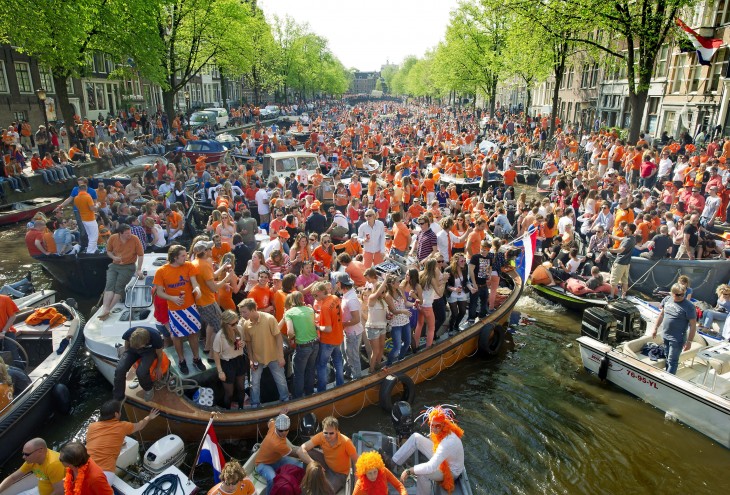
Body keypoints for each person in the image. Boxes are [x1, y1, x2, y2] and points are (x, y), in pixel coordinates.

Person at [153, 245, 206, 375]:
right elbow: (159, 292)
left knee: (194, 333)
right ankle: (182, 360)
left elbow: (194, 282)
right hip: (175, 310)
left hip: (190, 307)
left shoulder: (188, 266)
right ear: (175, 257)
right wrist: (172, 298)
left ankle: (196, 358)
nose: (186, 257)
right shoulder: (161, 271)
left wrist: (197, 289)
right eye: (183, 255)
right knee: (177, 336)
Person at [392, 405, 465, 495]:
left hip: (451, 471)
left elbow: (431, 467)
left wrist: (409, 470)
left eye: (437, 426)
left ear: (444, 424)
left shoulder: (448, 442)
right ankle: (393, 463)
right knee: (416, 437)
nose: (433, 429)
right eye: (431, 424)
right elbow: (435, 443)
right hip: (443, 457)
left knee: (423, 474)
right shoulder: (439, 430)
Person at [86, 400, 159, 484]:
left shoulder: (92, 426)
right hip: (104, 475)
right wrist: (149, 416)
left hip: (86, 469)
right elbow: (140, 425)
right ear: (116, 414)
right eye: (120, 411)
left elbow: (102, 442)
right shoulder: (122, 426)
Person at [239, 298, 289, 407]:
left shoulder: (269, 319)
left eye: (244, 312)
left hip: (274, 357)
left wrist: (281, 356)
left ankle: (285, 400)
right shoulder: (246, 325)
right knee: (254, 383)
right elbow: (249, 344)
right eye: (241, 312)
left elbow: (278, 338)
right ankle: (255, 404)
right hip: (257, 359)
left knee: (281, 380)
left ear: (253, 310)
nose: (242, 315)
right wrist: (252, 360)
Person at [255, 413, 312, 493]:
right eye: (281, 430)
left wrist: (282, 415)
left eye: (286, 430)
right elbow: (295, 453)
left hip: (277, 459)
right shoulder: (277, 444)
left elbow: (270, 421)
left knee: (300, 465)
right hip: (262, 464)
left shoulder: (273, 425)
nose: (284, 433)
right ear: (277, 428)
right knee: (272, 478)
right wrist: (309, 454)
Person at [97, 224, 144, 320]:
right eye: (127, 233)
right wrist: (114, 257)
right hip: (115, 265)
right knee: (109, 285)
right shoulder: (113, 238)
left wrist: (139, 269)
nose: (129, 235)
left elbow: (141, 255)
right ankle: (105, 308)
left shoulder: (134, 239)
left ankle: (108, 310)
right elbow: (109, 251)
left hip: (128, 266)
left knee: (119, 286)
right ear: (120, 234)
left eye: (130, 233)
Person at [300, 416, 358, 493]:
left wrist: (356, 481)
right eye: (325, 433)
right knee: (309, 452)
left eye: (331, 433)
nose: (328, 436)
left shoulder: (346, 442)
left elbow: (356, 461)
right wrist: (313, 463)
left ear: (337, 431)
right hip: (326, 465)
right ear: (322, 431)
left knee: (327, 491)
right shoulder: (321, 436)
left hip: (340, 474)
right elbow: (300, 450)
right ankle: (308, 476)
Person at [651, 283, 697, 375]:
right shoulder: (667, 299)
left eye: (683, 294)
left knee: (673, 361)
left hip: (677, 339)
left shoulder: (689, 306)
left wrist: (689, 342)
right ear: (672, 293)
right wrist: (655, 328)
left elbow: (693, 326)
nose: (681, 296)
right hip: (665, 335)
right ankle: (668, 376)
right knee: (668, 358)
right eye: (678, 295)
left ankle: (668, 380)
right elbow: (662, 314)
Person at [113, 327, 164, 402]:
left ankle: (148, 389)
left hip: (149, 351)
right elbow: (127, 345)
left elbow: (159, 354)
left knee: (141, 372)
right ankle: (118, 397)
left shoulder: (156, 337)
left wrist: (158, 367)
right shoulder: (129, 333)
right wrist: (127, 358)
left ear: (146, 341)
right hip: (132, 348)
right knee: (119, 370)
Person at [283, 291, 318, 398]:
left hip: (302, 346)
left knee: (299, 374)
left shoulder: (289, 313)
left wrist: (291, 338)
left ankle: (298, 397)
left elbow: (289, 332)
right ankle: (309, 393)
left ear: (291, 300)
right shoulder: (310, 309)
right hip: (315, 344)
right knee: (310, 370)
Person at [0, 438, 65, 495]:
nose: (23, 457)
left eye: (27, 454)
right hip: (39, 490)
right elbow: (13, 478)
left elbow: (60, 492)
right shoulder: (31, 461)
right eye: (23, 453)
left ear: (40, 451)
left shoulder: (54, 464)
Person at [312, 282, 344, 392]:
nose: (315, 298)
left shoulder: (325, 307)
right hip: (338, 336)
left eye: (315, 295)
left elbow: (328, 328)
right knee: (338, 361)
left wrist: (317, 326)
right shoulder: (335, 297)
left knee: (321, 365)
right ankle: (340, 384)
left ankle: (322, 390)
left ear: (320, 292)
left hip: (328, 340)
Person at [212, 310, 247, 409]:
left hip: (240, 360)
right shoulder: (220, 336)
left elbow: (243, 341)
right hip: (227, 364)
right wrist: (220, 371)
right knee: (229, 393)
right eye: (233, 324)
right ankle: (228, 411)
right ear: (226, 324)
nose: (236, 325)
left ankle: (241, 408)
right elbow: (216, 353)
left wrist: (243, 344)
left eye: (237, 322)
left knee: (241, 388)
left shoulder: (239, 328)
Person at [336, 273, 363, 380]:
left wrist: (342, 324)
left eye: (337, 282)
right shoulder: (347, 295)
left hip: (353, 333)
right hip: (349, 332)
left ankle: (357, 379)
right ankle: (348, 373)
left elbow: (356, 319)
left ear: (340, 283)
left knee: (353, 357)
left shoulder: (351, 299)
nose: (336, 284)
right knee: (347, 354)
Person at [608, 223, 636, 299]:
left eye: (626, 228)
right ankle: (623, 297)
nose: (624, 229)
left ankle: (611, 295)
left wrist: (609, 249)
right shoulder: (631, 238)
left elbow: (620, 250)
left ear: (630, 230)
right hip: (627, 263)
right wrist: (610, 236)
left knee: (613, 280)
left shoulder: (628, 240)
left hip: (620, 262)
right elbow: (619, 239)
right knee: (624, 281)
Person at [74, 183, 99, 253]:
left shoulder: (76, 198)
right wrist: (97, 205)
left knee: (90, 235)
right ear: (86, 189)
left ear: (79, 190)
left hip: (83, 219)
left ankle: (94, 249)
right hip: (90, 219)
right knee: (94, 236)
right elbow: (92, 209)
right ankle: (90, 251)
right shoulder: (88, 196)